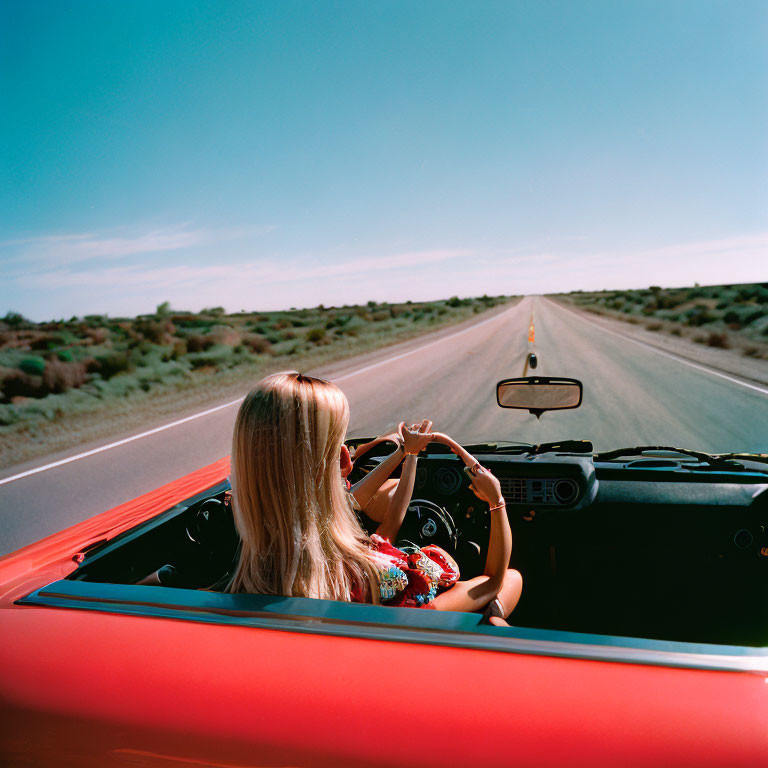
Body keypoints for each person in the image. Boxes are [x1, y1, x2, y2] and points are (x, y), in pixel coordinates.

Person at [227, 371, 522, 622]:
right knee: (512, 578)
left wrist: (408, 455)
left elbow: (386, 528)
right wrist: (497, 500)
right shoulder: (378, 581)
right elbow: (490, 582)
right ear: (344, 460)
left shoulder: (239, 581)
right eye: (341, 443)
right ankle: (492, 618)